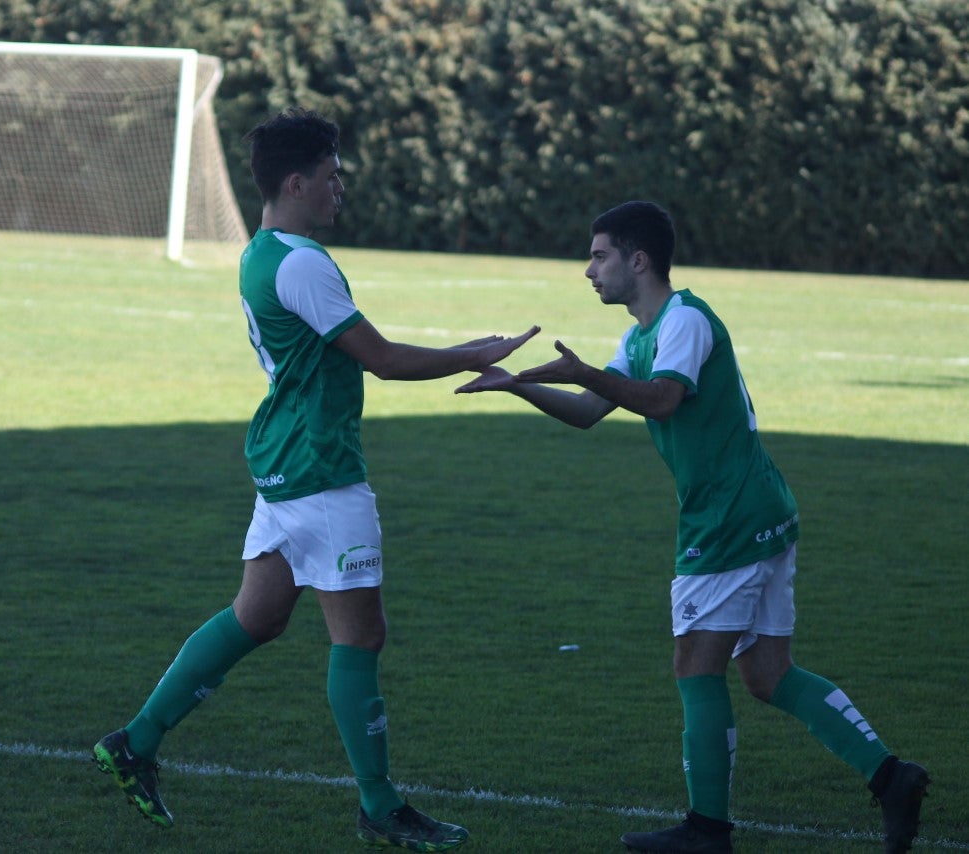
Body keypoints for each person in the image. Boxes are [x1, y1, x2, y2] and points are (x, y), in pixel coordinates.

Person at [91, 108, 539, 850]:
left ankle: (135, 743)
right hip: (323, 473)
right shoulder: (301, 263)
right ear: (297, 182)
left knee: (257, 618)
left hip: (284, 465)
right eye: (333, 176)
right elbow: (384, 358)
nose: (342, 188)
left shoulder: (263, 254)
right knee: (360, 636)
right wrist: (474, 352)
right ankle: (380, 806)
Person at [455, 201, 929, 853]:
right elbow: (592, 409)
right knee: (768, 675)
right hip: (756, 509)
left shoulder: (685, 322)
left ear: (637, 259)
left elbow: (663, 399)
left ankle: (707, 831)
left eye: (599, 256)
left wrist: (586, 371)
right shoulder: (642, 334)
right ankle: (893, 777)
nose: (588, 270)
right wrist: (515, 386)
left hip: (730, 517)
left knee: (694, 666)